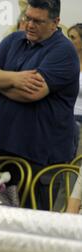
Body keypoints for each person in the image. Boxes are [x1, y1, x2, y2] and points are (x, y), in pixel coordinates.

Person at [0, 0, 80, 210]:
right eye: (27, 18)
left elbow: (32, 93)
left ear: (55, 22)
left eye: (38, 21)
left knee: (28, 222)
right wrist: (16, 79)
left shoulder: (64, 51)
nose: (29, 25)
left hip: (38, 154)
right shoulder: (14, 39)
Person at [67, 24, 82, 156]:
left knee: (77, 168)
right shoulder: (65, 62)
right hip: (64, 119)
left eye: (73, 37)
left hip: (80, 121)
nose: (69, 41)